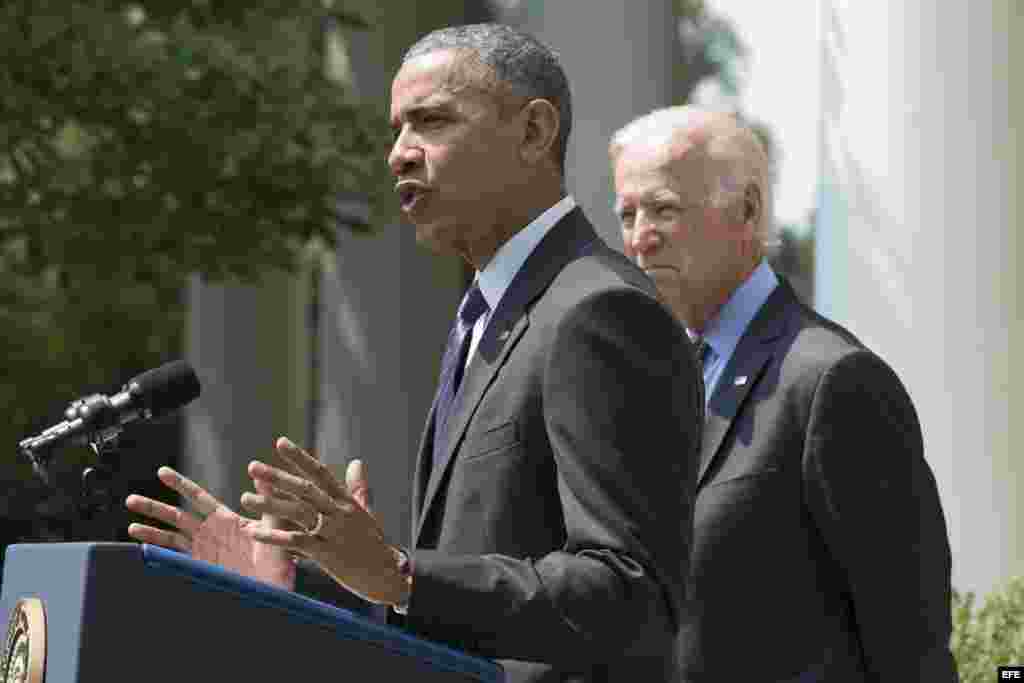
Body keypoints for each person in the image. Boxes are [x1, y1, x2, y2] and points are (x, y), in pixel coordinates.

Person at [127, 24, 703, 682]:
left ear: (534, 132)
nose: (400, 153)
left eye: (431, 122)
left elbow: (631, 595)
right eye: (396, 130)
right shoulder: (484, 319)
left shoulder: (600, 312)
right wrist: (303, 582)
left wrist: (400, 573)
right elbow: (460, 604)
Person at [609, 106, 958, 682]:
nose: (639, 239)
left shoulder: (834, 383)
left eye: (664, 209)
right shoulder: (644, 383)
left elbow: (910, 649)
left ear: (746, 210)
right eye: (627, 214)